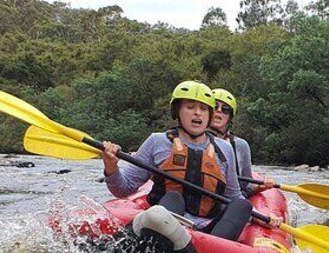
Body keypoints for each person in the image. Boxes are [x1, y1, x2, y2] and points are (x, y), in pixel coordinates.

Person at [100, 80, 279, 241]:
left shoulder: (224, 149)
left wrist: (258, 217)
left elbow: (232, 196)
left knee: (242, 205)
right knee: (173, 197)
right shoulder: (157, 141)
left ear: (209, 115)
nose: (197, 114)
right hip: (165, 224)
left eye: (203, 109)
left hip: (211, 230)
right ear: (177, 111)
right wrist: (111, 168)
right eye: (190, 107)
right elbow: (124, 189)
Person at [208, 88, 276, 198]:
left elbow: (247, 186)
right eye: (215, 107)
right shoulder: (194, 140)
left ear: (230, 117)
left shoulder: (240, 145)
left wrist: (260, 187)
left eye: (225, 109)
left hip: (231, 201)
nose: (219, 110)